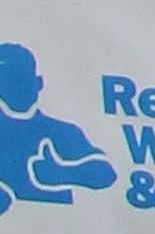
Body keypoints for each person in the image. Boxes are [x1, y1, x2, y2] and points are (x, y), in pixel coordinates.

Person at [0, 44, 115, 211]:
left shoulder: (61, 132)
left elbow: (105, 173)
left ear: (38, 83)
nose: (13, 87)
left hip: (62, 231)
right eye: (5, 80)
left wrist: (63, 173)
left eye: (19, 79)